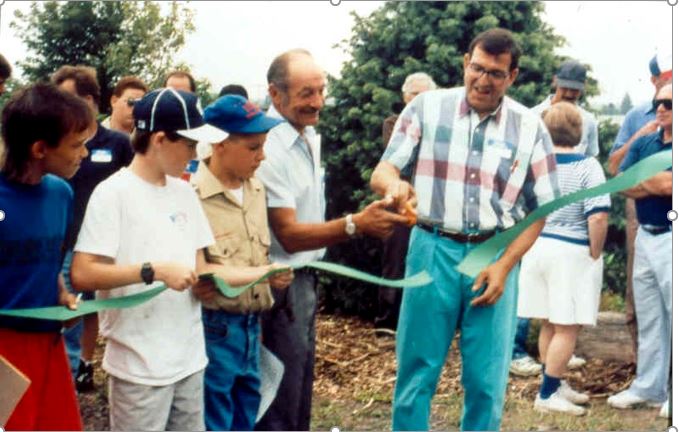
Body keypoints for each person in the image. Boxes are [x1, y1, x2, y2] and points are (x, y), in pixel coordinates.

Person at [370, 28, 560, 431]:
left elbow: (541, 209)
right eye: (476, 68)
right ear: (464, 63)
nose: (482, 80)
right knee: (416, 373)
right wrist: (395, 185)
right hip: (430, 249)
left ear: (512, 77)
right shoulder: (425, 108)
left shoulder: (530, 128)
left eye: (495, 73)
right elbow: (384, 170)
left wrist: (506, 265)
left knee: (486, 382)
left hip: (492, 256)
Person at [255, 48, 409, 431]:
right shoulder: (270, 148)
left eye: (321, 90)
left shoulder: (303, 135)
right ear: (276, 94)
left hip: (303, 281)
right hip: (280, 288)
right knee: (278, 394)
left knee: (298, 386)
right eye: (307, 93)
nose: (318, 102)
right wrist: (355, 224)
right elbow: (288, 235)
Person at [70, 88, 226, 431]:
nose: (194, 154)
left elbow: (201, 268)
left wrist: (215, 285)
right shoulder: (113, 194)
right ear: (159, 139)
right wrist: (151, 271)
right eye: (189, 144)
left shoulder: (185, 192)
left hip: (190, 360)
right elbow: (82, 273)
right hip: (139, 368)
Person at [189, 94, 294, 431]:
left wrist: (270, 278)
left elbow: (255, 256)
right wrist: (263, 272)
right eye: (253, 147)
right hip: (215, 327)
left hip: (251, 325)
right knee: (215, 414)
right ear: (218, 144)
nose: (262, 156)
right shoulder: (192, 196)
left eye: (264, 146)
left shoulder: (256, 189)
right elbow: (201, 271)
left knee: (247, 408)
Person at [0, 83, 94, 430]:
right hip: (5, 351)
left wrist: (61, 294)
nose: (84, 153)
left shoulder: (61, 193)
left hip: (48, 344)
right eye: (76, 145)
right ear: (40, 148)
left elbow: (49, 261)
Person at [518, 102, 610, 416]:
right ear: (579, 130)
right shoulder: (588, 166)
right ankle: (547, 393)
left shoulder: (537, 164)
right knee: (568, 327)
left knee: (549, 321)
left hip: (537, 247)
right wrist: (595, 253)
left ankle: (554, 384)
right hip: (570, 251)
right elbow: (597, 216)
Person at [511, 59, 598, 377]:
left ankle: (556, 357)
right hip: (535, 210)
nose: (569, 94)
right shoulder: (532, 116)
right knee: (525, 283)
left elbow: (590, 158)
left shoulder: (588, 120)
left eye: (575, 91)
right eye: (565, 89)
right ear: (554, 81)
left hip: (569, 213)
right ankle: (516, 351)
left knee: (558, 292)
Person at [51, 65, 134, 392]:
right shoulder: (57, 143)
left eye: (66, 99)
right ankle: (67, 381)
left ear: (88, 99)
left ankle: (82, 368)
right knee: (68, 311)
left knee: (95, 309)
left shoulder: (117, 143)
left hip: (104, 246)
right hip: (64, 242)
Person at [607, 83, 672, 419]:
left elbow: (668, 185)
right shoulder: (647, 140)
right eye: (657, 102)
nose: (660, 109)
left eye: (668, 104)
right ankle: (649, 387)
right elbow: (620, 180)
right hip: (646, 235)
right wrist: (652, 182)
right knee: (650, 316)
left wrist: (643, 182)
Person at [376, 71, 436, 334]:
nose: (420, 101)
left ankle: (417, 323)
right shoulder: (394, 123)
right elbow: (402, 156)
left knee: (425, 261)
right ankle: (386, 323)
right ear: (405, 97)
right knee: (395, 260)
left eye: (426, 96)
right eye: (415, 96)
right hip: (399, 202)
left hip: (430, 204)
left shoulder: (438, 127)